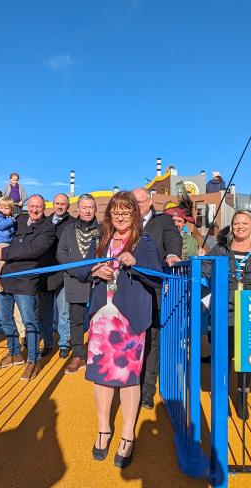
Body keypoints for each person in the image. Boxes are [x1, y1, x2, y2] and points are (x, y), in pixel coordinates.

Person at [74, 191, 161, 468]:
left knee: (129, 378)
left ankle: (127, 434)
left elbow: (157, 276)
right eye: (116, 212)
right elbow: (81, 269)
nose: (120, 217)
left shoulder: (144, 242)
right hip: (102, 316)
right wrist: (94, 271)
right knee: (101, 375)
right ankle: (103, 429)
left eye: (126, 212)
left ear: (135, 214)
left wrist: (137, 263)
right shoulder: (101, 240)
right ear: (109, 215)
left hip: (130, 319)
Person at [199, 211, 251, 420]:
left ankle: (241, 395)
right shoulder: (220, 249)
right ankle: (221, 396)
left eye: (245, 223)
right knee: (223, 356)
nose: (240, 226)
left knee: (246, 359)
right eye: (236, 223)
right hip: (223, 312)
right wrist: (201, 260)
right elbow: (206, 273)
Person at [0, 195, 56, 382]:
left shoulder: (48, 228)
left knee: (29, 321)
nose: (35, 209)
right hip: (6, 278)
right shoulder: (17, 220)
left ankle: (33, 360)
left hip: (26, 280)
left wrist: (5, 252)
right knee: (4, 318)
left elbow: (33, 250)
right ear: (27, 206)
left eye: (39, 207)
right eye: (32, 206)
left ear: (44, 208)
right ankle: (14, 353)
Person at [132, 188, 182, 410]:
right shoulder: (126, 222)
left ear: (150, 201)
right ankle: (128, 383)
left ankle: (147, 389)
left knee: (152, 338)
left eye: (141, 202)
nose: (137, 206)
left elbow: (173, 241)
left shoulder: (163, 221)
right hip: (129, 288)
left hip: (155, 288)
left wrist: (172, 254)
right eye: (134, 202)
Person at [56, 193, 100, 374]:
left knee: (99, 319)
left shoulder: (104, 229)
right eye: (84, 207)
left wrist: (95, 272)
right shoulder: (68, 229)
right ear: (78, 209)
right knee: (76, 320)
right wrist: (80, 273)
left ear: (95, 209)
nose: (88, 210)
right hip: (75, 280)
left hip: (98, 281)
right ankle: (78, 356)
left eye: (91, 207)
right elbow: (61, 254)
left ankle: (99, 354)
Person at [38, 193, 73, 358]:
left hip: (63, 273)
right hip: (45, 273)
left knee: (64, 312)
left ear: (68, 206)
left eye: (63, 204)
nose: (60, 206)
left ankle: (64, 342)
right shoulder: (43, 222)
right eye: (57, 203)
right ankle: (47, 342)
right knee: (45, 312)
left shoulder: (72, 224)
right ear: (53, 204)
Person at [0, 196, 17, 293]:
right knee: (1, 261)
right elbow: (1, 226)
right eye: (1, 207)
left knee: (5, 262)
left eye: (7, 208)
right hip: (0, 242)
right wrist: (12, 220)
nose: (4, 210)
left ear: (11, 209)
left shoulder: (6, 217)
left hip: (6, 242)